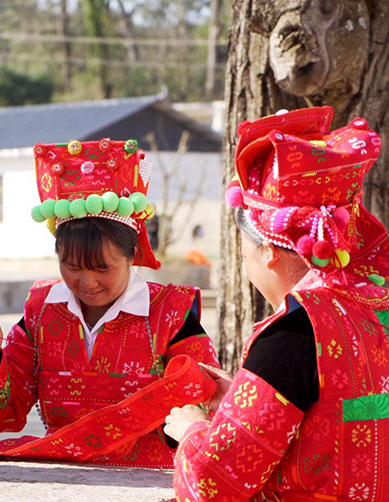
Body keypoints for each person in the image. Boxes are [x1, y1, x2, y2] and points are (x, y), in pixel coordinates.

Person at [0, 138, 220, 467]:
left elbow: (204, 402)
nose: (87, 283)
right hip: (63, 475)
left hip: (150, 478)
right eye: (72, 267)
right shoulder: (41, 310)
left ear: (132, 256)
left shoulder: (171, 313)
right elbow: (5, 418)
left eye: (102, 268)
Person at [165, 106, 389, 500]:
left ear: (268, 251)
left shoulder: (294, 332)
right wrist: (240, 399)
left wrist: (193, 429)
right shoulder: (375, 303)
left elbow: (214, 483)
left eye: (244, 248)